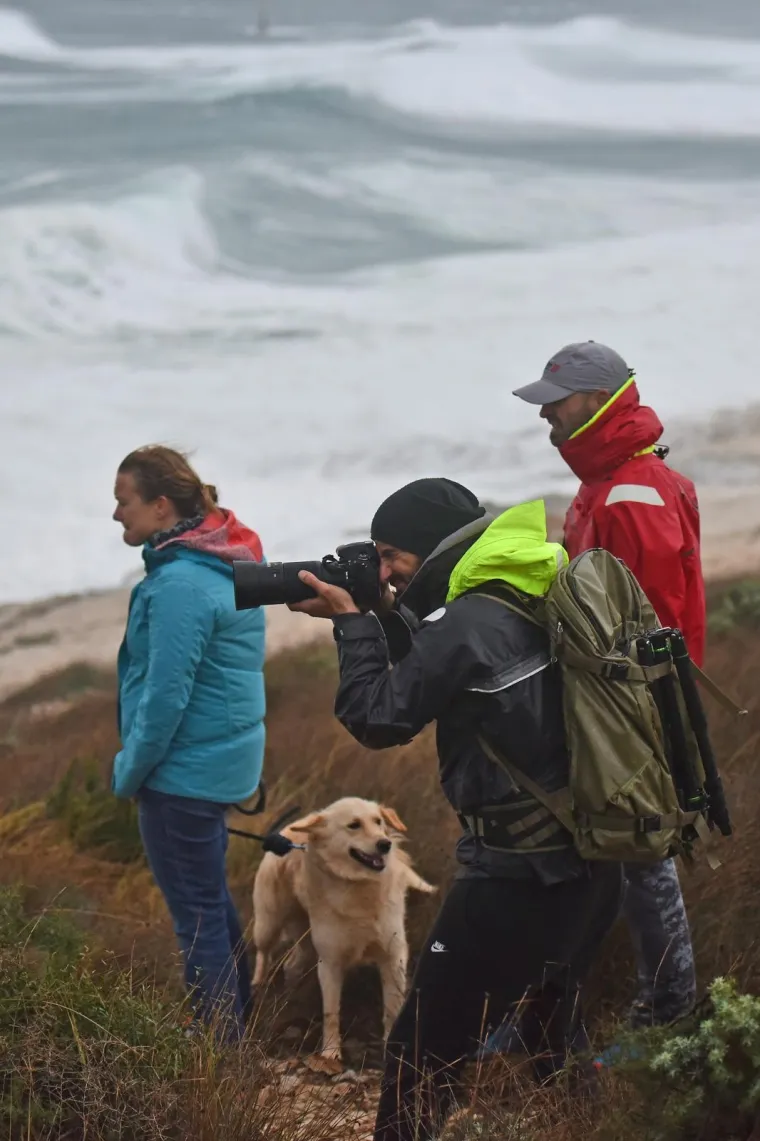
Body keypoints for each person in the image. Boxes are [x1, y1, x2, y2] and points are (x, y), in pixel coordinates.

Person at [290, 478, 623, 1141]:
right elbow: (448, 658)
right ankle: (612, 1125)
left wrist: (355, 625)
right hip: (591, 860)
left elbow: (377, 715)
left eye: (391, 555)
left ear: (431, 549)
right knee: (550, 1033)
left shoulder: (467, 622)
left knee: (422, 1045)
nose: (383, 571)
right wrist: (386, 613)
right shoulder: (528, 580)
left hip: (515, 874)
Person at [513, 341, 701, 1031]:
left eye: (554, 404)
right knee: (610, 848)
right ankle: (557, 1006)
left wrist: (635, 717)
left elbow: (651, 621)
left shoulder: (632, 490)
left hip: (630, 703)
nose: (546, 418)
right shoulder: (614, 480)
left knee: (640, 848)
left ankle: (670, 1010)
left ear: (594, 400)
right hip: (612, 699)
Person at [112, 445, 266, 1042]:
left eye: (123, 501)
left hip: (183, 774)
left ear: (159, 504)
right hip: (220, 763)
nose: (116, 514)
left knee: (196, 916)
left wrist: (130, 771)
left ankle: (217, 1057)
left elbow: (164, 698)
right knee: (210, 900)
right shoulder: (226, 557)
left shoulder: (179, 583)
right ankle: (237, 1028)